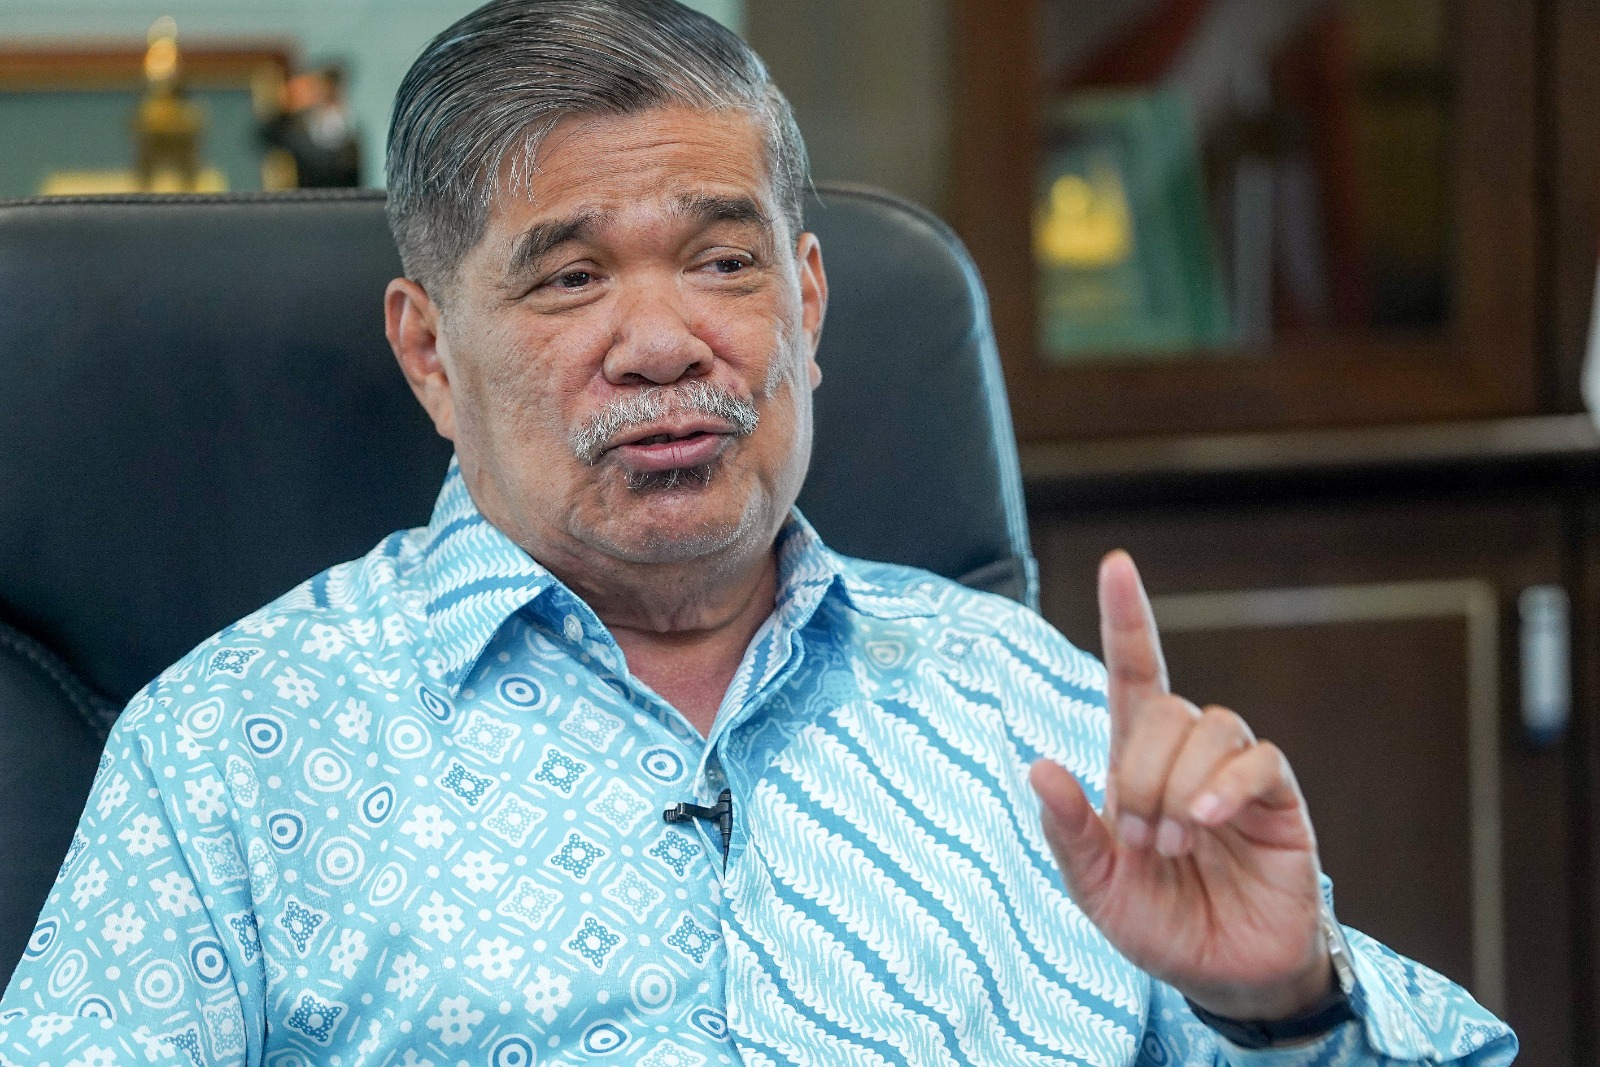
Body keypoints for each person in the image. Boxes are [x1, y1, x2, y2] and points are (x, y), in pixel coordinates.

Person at [0, 1, 1514, 1064]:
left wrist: (1282, 1010)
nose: (666, 342)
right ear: (428, 353)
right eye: (570, 279)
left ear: (808, 303)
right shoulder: (234, 751)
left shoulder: (1038, 717)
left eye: (725, 262)